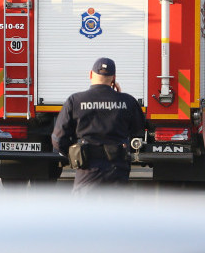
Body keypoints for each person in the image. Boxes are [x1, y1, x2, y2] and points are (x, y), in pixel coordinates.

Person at [51, 57, 146, 192]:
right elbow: (138, 129)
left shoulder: (75, 100)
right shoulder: (128, 101)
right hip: (117, 172)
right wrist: (119, 98)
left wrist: (75, 155)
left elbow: (58, 139)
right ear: (114, 78)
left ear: (90, 74)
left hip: (86, 173)